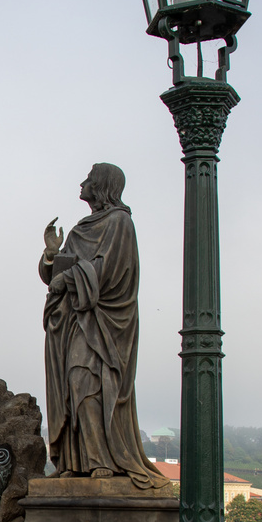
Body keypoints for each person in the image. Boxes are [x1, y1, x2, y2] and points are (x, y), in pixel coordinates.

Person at [40, 164, 167, 489]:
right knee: (72, 388)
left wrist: (68, 278)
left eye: (89, 178)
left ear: (102, 185)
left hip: (103, 325)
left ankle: (101, 462)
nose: (82, 182)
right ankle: (73, 461)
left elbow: (110, 269)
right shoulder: (82, 228)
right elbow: (54, 277)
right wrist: (52, 256)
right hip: (73, 322)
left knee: (86, 382)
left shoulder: (120, 223)